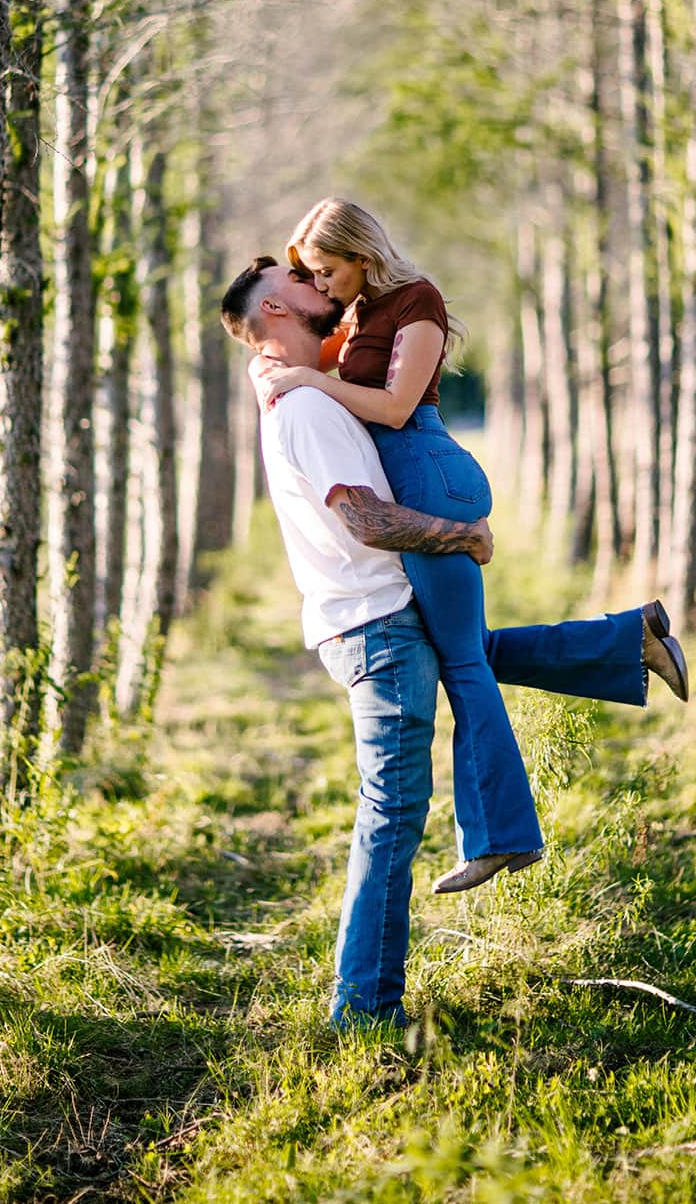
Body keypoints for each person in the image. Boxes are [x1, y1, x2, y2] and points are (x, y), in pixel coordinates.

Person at [251, 199, 688, 895]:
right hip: (404, 477)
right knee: (466, 649)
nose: (323, 284)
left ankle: (500, 837)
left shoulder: (414, 300)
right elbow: (285, 352)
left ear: (363, 252)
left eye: (328, 268)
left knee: (460, 660)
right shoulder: (355, 312)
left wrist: (309, 379)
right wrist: (279, 365)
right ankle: (628, 639)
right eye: (312, 274)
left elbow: (394, 406)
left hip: (424, 473)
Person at [220, 256, 498, 1028]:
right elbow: (368, 519)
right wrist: (462, 535)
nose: (324, 284)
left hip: (379, 620)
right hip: (376, 625)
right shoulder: (307, 409)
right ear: (277, 307)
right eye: (304, 279)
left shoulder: (304, 389)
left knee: (479, 670)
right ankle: (363, 1007)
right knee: (393, 810)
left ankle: (622, 646)